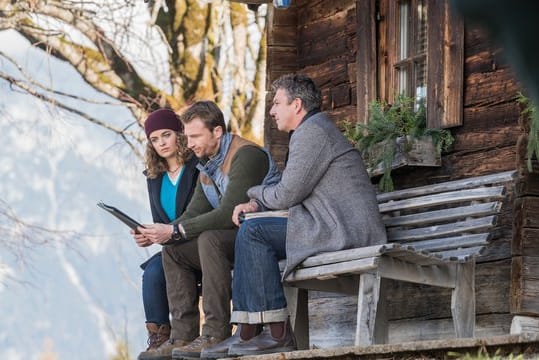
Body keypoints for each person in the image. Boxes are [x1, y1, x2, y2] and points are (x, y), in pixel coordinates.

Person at [202, 73, 388, 358]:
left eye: (277, 103)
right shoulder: (310, 131)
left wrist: (253, 195)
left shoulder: (313, 132)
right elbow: (289, 192)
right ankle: (247, 331)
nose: (272, 111)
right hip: (329, 223)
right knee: (251, 228)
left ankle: (277, 334)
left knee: (254, 232)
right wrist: (258, 207)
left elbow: (287, 195)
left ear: (297, 105)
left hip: (345, 229)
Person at [136, 101, 281, 360]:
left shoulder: (245, 155)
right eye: (188, 137)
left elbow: (227, 215)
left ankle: (215, 332)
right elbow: (194, 212)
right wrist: (162, 233)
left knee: (209, 239)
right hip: (238, 239)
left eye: (194, 136)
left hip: (263, 239)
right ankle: (182, 336)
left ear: (217, 132)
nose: (189, 143)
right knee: (173, 250)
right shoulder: (209, 165)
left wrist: (177, 230)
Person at [132, 109, 200, 359]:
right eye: (155, 139)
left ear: (180, 134)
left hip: (199, 243)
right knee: (151, 272)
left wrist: (167, 232)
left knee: (156, 270)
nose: (161, 143)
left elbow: (200, 212)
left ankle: (182, 336)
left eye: (166, 135)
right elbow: (162, 222)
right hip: (173, 247)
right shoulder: (154, 177)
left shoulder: (197, 166)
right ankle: (160, 338)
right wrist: (147, 235)